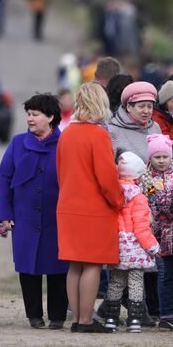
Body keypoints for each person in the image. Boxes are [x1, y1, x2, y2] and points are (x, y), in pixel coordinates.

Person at [56, 82, 124, 333]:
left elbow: (60, 172)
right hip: (93, 209)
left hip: (68, 206)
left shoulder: (66, 133)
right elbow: (106, 177)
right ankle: (86, 320)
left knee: (75, 265)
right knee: (93, 265)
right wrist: (119, 201)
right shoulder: (98, 134)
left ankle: (76, 320)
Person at [0, 94, 69, 329]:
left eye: (35, 114)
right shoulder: (18, 143)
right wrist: (5, 213)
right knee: (28, 266)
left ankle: (58, 316)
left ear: (50, 117)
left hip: (56, 217)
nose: (30, 118)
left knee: (59, 267)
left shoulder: (65, 144)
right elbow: (6, 178)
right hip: (24, 216)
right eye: (28, 114)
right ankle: (34, 315)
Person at [101, 151, 159, 333]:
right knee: (135, 282)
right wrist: (152, 246)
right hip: (134, 248)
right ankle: (134, 320)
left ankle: (111, 318)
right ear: (138, 175)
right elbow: (141, 228)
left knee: (116, 282)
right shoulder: (139, 197)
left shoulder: (112, 193)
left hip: (116, 247)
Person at [138, 134, 173, 330]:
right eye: (157, 157)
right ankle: (165, 314)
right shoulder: (146, 179)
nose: (161, 161)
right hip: (158, 233)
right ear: (150, 158)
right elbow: (153, 203)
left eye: (164, 157)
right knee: (164, 274)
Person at [109, 81, 161, 163]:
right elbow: (109, 165)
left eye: (149, 106)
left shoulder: (155, 127)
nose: (146, 111)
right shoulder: (113, 131)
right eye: (141, 106)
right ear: (129, 107)